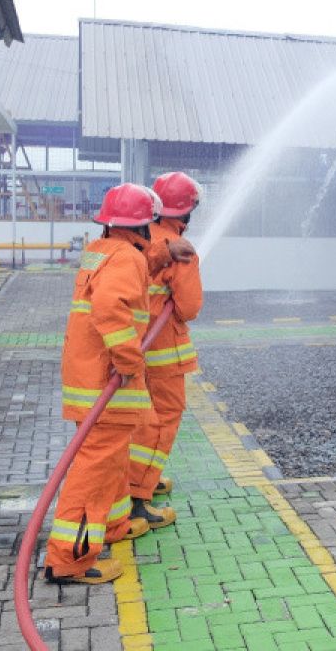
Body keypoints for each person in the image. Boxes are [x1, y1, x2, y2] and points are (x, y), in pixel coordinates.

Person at [44, 183, 160, 585]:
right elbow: (110, 306)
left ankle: (111, 528)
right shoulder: (128, 259)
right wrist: (129, 361)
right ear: (144, 225)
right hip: (106, 385)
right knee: (93, 472)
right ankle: (68, 560)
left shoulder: (103, 250)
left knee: (109, 464)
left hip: (88, 381)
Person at [127, 172, 203, 521]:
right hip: (165, 357)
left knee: (142, 422)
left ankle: (147, 479)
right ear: (185, 212)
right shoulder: (179, 249)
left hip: (133, 352)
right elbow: (189, 307)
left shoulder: (139, 242)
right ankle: (139, 497)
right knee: (162, 423)